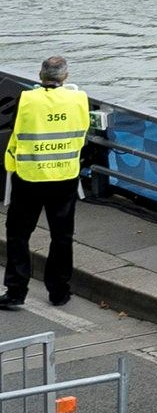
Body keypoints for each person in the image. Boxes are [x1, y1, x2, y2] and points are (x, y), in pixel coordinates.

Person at [2, 57, 92, 310]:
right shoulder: (79, 99)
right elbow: (84, 131)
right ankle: (59, 292)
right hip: (64, 176)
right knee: (62, 236)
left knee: (18, 235)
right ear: (66, 76)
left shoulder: (27, 99)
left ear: (40, 75)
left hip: (29, 176)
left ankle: (16, 292)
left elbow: (15, 127)